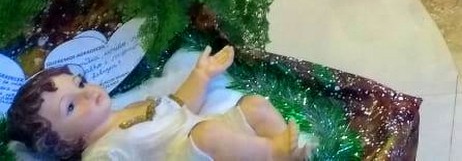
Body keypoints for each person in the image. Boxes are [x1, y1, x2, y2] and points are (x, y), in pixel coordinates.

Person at [6, 47, 311, 159]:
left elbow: (179, 106)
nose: (86, 94)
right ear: (63, 142)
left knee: (255, 105)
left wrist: (202, 75)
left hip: (214, 141)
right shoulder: (102, 151)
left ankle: (294, 153)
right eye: (70, 107)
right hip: (191, 151)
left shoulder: (130, 108)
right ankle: (274, 153)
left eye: (80, 83)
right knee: (206, 134)